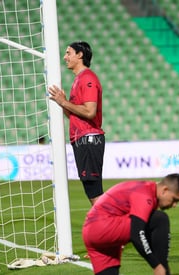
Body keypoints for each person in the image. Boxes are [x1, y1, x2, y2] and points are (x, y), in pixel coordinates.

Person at [82, 173, 179, 275]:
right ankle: (164, 270)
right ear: (165, 190)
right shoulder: (145, 194)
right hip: (103, 227)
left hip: (91, 233)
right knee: (160, 219)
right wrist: (157, 265)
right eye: (174, 199)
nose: (174, 205)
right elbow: (137, 233)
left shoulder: (145, 189)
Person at [48, 41, 105, 205]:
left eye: (68, 53)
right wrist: (62, 102)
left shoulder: (87, 78)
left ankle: (130, 224)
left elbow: (89, 111)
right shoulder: (79, 79)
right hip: (82, 138)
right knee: (93, 192)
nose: (65, 57)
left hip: (89, 138)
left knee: (94, 192)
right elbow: (75, 115)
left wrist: (65, 103)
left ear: (80, 55)